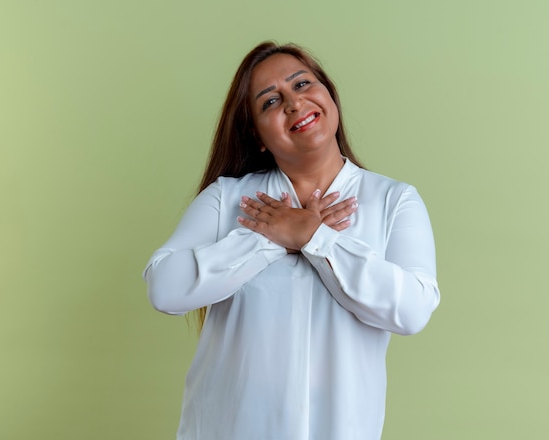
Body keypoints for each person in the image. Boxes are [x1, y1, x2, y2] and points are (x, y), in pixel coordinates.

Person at [143, 41, 440, 440]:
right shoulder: (226, 199)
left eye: (302, 84)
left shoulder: (394, 201)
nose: (294, 103)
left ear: (328, 95)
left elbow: (412, 309)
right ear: (257, 134)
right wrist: (269, 239)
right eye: (270, 101)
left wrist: (314, 237)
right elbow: (165, 289)